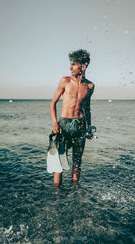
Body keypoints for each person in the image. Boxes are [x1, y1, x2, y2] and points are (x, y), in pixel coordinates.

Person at [50, 49, 95, 187]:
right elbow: (53, 103)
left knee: (77, 160)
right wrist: (55, 123)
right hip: (64, 124)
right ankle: (56, 193)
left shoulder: (90, 86)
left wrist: (89, 128)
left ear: (83, 66)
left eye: (74, 64)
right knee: (59, 159)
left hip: (80, 125)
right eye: (70, 64)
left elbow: (87, 109)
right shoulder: (65, 81)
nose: (70, 67)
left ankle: (75, 190)